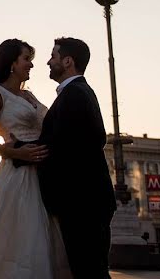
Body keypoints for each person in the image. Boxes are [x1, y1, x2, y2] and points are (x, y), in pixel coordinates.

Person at [0, 39, 71, 278]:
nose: (31, 65)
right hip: (18, 175)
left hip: (42, 174)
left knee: (43, 239)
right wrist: (17, 153)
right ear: (11, 63)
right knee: (22, 238)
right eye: (26, 59)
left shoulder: (29, 95)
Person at [37, 37, 116, 278]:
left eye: (53, 56)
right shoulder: (76, 92)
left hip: (82, 203)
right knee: (89, 270)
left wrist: (16, 151)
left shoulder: (75, 94)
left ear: (68, 61)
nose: (49, 62)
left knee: (89, 270)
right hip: (86, 202)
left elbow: (66, 145)